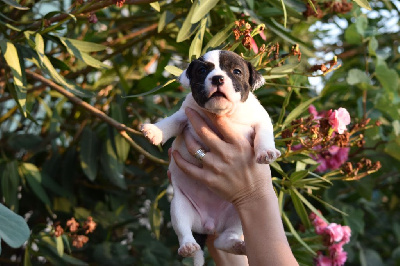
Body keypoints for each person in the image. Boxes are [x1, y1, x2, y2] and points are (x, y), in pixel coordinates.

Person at [171, 107, 299, 266]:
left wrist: (252, 195)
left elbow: (263, 125)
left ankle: (226, 236)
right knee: (181, 202)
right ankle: (215, 236)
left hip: (220, 207)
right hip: (203, 199)